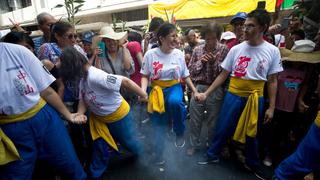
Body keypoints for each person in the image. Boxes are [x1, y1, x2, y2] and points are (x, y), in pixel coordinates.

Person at [197, 9, 283, 179]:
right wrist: (206, 93)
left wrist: (271, 107)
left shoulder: (273, 51)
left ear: (263, 27)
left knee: (252, 132)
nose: (245, 29)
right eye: (245, 26)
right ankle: (212, 155)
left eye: (250, 26)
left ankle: (252, 163)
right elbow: (223, 75)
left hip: (255, 97)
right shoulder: (236, 49)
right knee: (223, 127)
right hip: (233, 94)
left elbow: (273, 81)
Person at [0, 42, 87, 179]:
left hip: (43, 118)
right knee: (17, 174)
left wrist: (68, 115)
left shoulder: (17, 51)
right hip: (10, 128)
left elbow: (46, 91)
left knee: (68, 163)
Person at [58, 46, 147, 179]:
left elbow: (125, 81)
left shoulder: (96, 76)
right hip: (99, 118)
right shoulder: (83, 77)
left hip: (119, 116)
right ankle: (95, 173)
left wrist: (143, 94)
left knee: (129, 142)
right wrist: (80, 113)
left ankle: (146, 158)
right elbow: (84, 97)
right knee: (99, 145)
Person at [140, 23, 198, 164]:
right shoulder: (150, 54)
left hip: (174, 87)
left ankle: (179, 132)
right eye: (173, 36)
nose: (176, 39)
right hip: (157, 90)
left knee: (175, 102)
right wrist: (142, 91)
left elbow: (185, 75)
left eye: (176, 36)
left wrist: (195, 91)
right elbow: (144, 75)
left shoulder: (179, 53)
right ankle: (159, 155)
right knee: (158, 124)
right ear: (161, 38)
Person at [187, 22, 229, 156]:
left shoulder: (224, 49)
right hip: (199, 86)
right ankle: (194, 144)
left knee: (213, 120)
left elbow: (225, 73)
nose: (210, 41)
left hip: (215, 88)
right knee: (195, 118)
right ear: (204, 37)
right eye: (208, 38)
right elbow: (190, 71)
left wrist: (213, 63)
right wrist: (202, 62)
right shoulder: (197, 50)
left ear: (218, 36)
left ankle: (211, 146)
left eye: (213, 38)